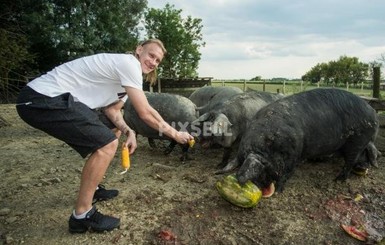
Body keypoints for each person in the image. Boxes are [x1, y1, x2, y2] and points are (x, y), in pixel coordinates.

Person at [16, 39, 194, 233]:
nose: (153, 62)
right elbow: (145, 112)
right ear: (139, 49)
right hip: (41, 98)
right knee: (107, 144)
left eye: (158, 61)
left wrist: (129, 131)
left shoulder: (126, 81)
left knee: (113, 129)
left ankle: (93, 188)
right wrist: (175, 134)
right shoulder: (129, 64)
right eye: (151, 55)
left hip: (53, 100)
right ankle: (82, 216)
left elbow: (113, 112)